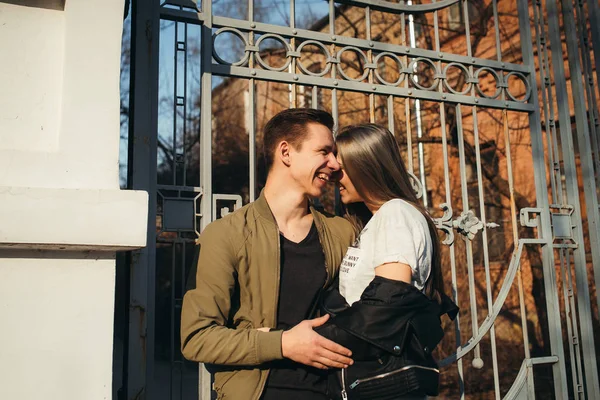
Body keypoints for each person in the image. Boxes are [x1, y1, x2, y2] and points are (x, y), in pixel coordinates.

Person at [180, 108, 356, 400]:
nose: (335, 164)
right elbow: (196, 338)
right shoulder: (226, 234)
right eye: (324, 151)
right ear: (286, 152)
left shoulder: (342, 233)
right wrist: (283, 344)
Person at [315, 124, 458, 399]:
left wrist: (316, 340)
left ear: (365, 166)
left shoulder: (396, 214)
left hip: (383, 385)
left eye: (342, 166)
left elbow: (387, 303)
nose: (334, 174)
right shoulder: (376, 220)